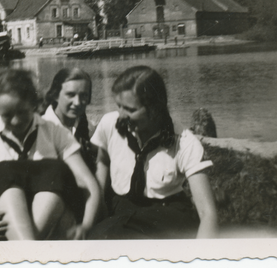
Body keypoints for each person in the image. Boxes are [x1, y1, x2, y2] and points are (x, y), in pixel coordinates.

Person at [0, 69, 101, 240]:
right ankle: (30, 252)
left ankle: (26, 251)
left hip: (49, 214)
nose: (15, 121)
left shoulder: (54, 132)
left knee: (56, 170)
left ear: (33, 104)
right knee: (4, 172)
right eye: (7, 115)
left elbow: (89, 184)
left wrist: (87, 225)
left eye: (22, 112)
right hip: (2, 221)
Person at [89, 66, 218, 240]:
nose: (121, 115)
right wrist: (100, 201)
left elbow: (207, 212)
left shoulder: (183, 142)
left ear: (155, 109)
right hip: (121, 208)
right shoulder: (110, 124)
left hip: (165, 215)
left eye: (130, 109)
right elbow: (103, 160)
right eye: (119, 106)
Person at [43, 68, 98, 173]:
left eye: (84, 95)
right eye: (70, 95)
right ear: (55, 95)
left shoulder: (90, 128)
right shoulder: (42, 129)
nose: (77, 102)